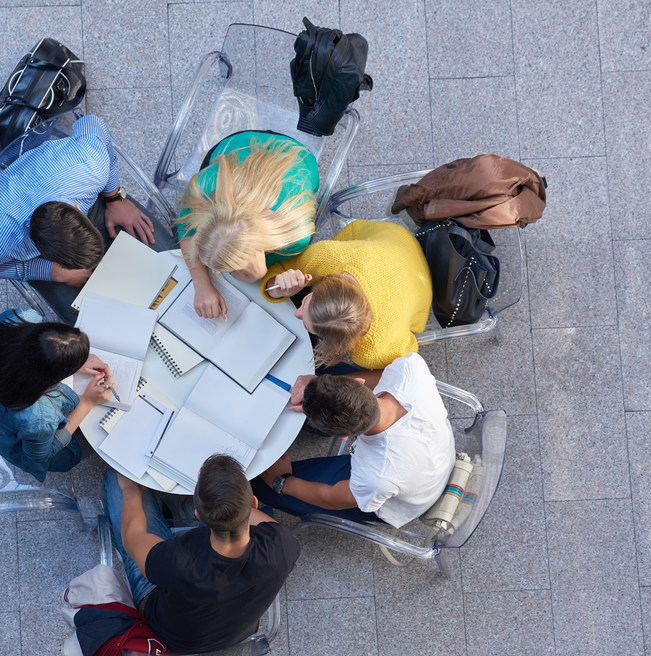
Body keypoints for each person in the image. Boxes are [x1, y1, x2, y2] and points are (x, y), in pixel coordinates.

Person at [0, 114, 178, 322]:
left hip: (80, 188)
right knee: (86, 326)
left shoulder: (91, 165)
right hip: (30, 246)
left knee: (172, 265)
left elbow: (91, 122)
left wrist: (114, 197)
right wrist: (53, 271)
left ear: (77, 208)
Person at [101, 455, 300, 654]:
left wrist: (131, 491)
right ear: (254, 504)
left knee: (116, 475)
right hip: (235, 633)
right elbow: (253, 520)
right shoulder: (283, 545)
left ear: (199, 515)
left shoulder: (177, 560)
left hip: (170, 635)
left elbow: (132, 538)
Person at [253, 353, 455, 528]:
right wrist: (317, 383)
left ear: (343, 437)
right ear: (359, 382)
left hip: (409, 495)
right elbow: (382, 376)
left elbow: (331, 497)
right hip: (435, 450)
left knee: (261, 485)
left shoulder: (376, 477)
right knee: (321, 368)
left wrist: (282, 482)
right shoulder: (410, 370)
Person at [176, 131, 319, 319]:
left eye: (225, 269)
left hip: (297, 158)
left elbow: (259, 275)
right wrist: (201, 283)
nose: (216, 273)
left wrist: (259, 273)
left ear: (261, 251)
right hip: (240, 148)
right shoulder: (205, 185)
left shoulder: (295, 234)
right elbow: (186, 229)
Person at [260, 219, 432, 369]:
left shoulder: (375, 350)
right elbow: (278, 266)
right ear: (325, 283)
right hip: (393, 238)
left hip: (417, 275)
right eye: (304, 303)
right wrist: (277, 286)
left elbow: (409, 361)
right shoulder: (329, 257)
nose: (296, 312)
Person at [0, 314, 115, 481]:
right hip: (25, 445)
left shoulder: (14, 321)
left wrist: (70, 357)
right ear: (48, 378)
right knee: (108, 429)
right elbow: (41, 457)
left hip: (1, 416)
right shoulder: (38, 419)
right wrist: (87, 402)